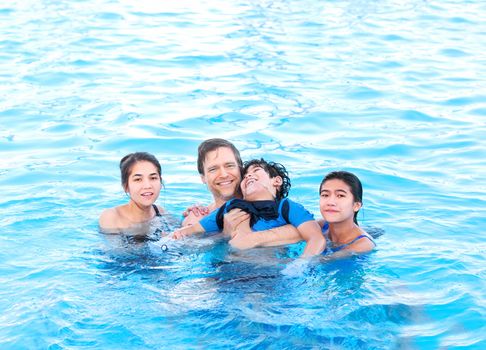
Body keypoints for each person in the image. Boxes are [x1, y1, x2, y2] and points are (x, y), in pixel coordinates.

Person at [174, 159, 325, 257]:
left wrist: (301, 264)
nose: (248, 176)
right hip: (227, 268)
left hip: (268, 271)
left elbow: (316, 237)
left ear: (276, 181)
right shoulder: (230, 208)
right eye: (245, 175)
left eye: (256, 171)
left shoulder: (286, 207)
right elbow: (191, 231)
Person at [99, 152, 167, 239]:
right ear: (126, 186)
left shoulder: (160, 212)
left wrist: (189, 217)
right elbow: (115, 251)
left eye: (153, 178)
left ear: (160, 183)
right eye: (138, 179)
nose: (147, 185)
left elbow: (183, 236)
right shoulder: (112, 217)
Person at [318, 171, 375, 254]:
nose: (330, 202)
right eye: (325, 195)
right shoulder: (321, 226)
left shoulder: (363, 245)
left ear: (356, 206)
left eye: (340, 195)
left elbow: (320, 261)